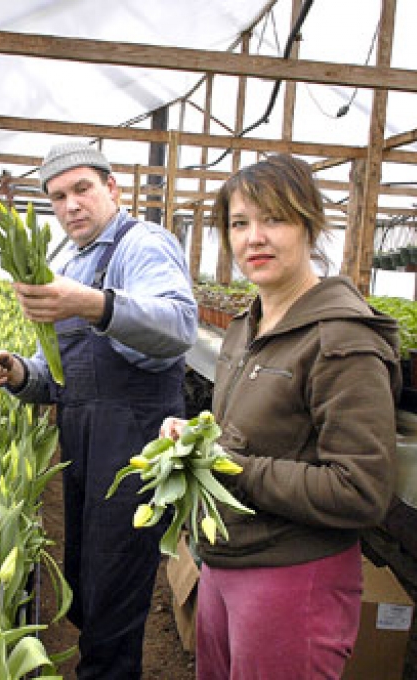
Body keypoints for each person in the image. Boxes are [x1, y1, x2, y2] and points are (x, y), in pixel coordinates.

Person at [160, 154, 401, 680]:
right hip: (227, 560)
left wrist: (233, 467)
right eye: (239, 223)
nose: (254, 238)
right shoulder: (247, 325)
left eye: (274, 219)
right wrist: (196, 440)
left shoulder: (344, 340)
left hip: (292, 576)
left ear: (309, 224)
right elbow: (247, 432)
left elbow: (361, 489)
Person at [0, 141, 198, 679]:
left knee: (116, 581)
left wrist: (94, 303)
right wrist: (18, 372)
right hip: (83, 434)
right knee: (84, 571)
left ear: (111, 189)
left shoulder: (142, 244)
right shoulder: (70, 260)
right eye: (57, 196)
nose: (71, 204)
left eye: (83, 189)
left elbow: (179, 324)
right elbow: (64, 373)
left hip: (134, 438)